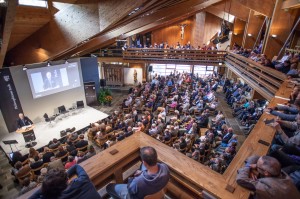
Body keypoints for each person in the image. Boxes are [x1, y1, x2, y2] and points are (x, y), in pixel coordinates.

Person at [29, 165, 102, 199]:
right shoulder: (82, 180)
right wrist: (62, 176)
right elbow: (76, 166)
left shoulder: (51, 196)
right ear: (67, 180)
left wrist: (48, 184)